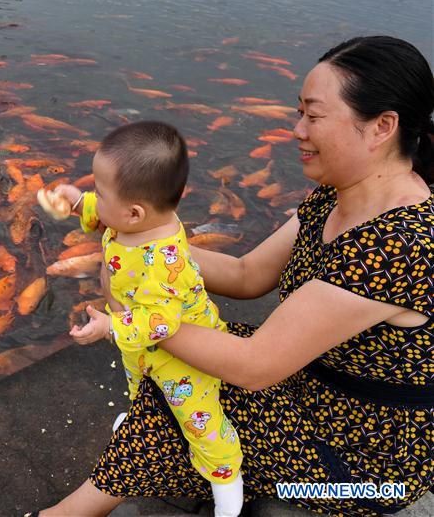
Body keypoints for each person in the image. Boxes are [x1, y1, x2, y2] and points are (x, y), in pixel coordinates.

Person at [40, 35, 434, 517]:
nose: (297, 130)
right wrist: (146, 246)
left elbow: (254, 366)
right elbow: (248, 274)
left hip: (363, 468)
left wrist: (136, 317)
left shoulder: (399, 245)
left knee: (179, 390)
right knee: (183, 379)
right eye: (299, 113)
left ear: (382, 127)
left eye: (313, 116)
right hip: (310, 390)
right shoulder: (335, 198)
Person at [41, 121, 245, 516]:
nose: (95, 199)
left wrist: (109, 326)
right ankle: (142, 421)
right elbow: (107, 217)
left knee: (199, 417)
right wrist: (80, 201)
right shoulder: (142, 220)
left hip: (182, 356)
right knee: (141, 384)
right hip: (141, 343)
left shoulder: (158, 260)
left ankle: (226, 482)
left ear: (134, 212)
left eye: (99, 193)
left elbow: (164, 322)